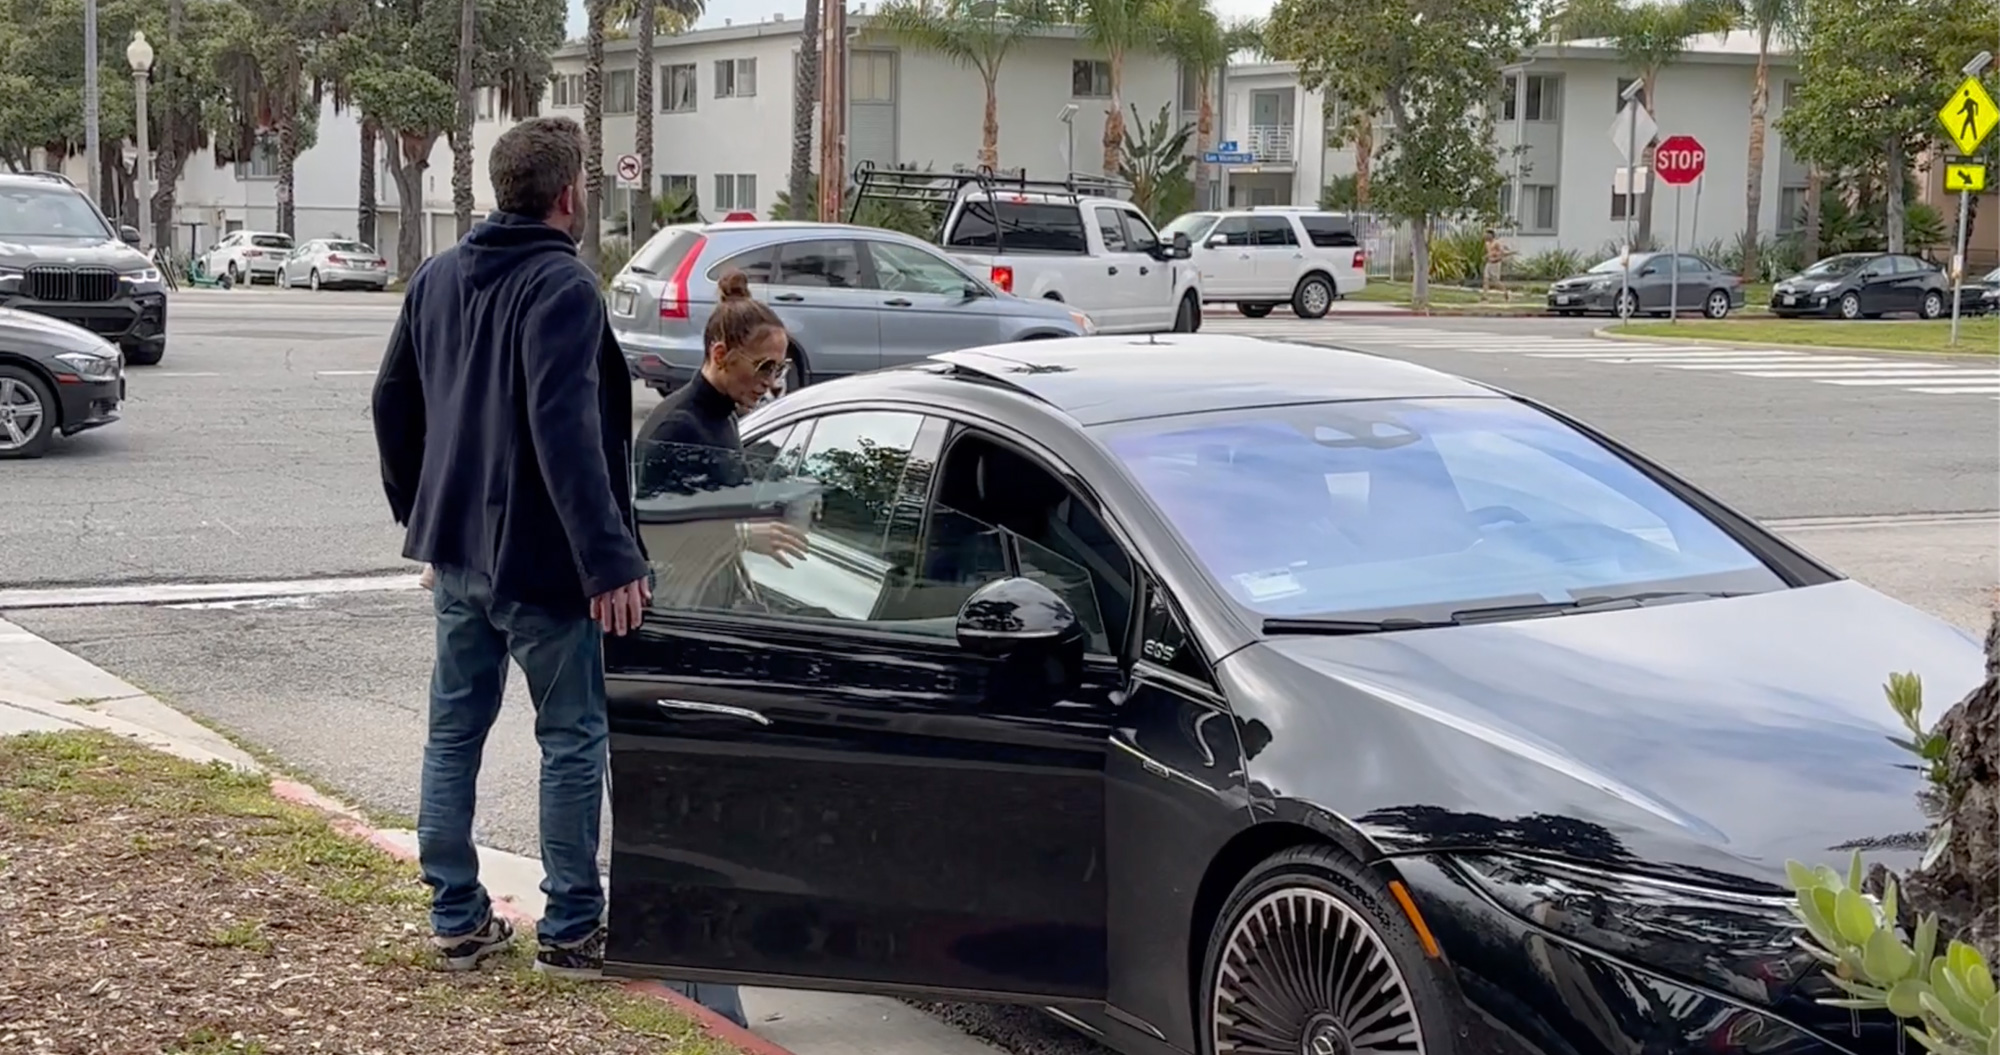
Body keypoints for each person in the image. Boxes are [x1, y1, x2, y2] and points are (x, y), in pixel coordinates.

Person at [370, 115, 650, 982]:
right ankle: (571, 926)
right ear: (569, 196)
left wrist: (426, 513)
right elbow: (568, 434)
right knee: (571, 737)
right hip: (543, 566)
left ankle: (456, 916)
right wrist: (610, 560)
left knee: (453, 733)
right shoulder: (564, 288)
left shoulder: (439, 276)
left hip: (458, 556)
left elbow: (391, 404)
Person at [626, 269, 806, 1027]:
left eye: (780, 369)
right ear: (718, 351)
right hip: (676, 644)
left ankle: (711, 994)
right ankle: (703, 1002)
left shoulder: (722, 419)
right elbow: (655, 527)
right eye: (761, 367)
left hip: (713, 630)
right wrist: (743, 530)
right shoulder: (675, 428)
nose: (770, 382)